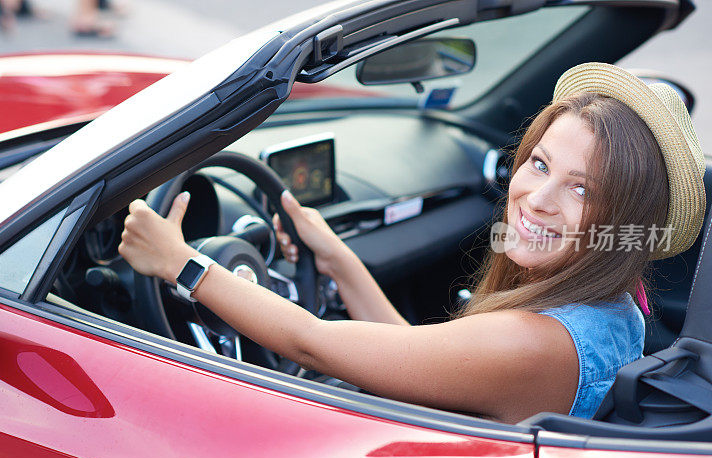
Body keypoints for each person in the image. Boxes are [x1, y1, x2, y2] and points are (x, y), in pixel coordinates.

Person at [118, 63, 705, 423]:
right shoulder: (614, 308)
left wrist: (179, 262)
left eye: (581, 190)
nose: (538, 199)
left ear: (621, 216)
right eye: (539, 163)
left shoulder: (533, 344)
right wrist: (338, 257)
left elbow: (313, 343)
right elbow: (414, 356)